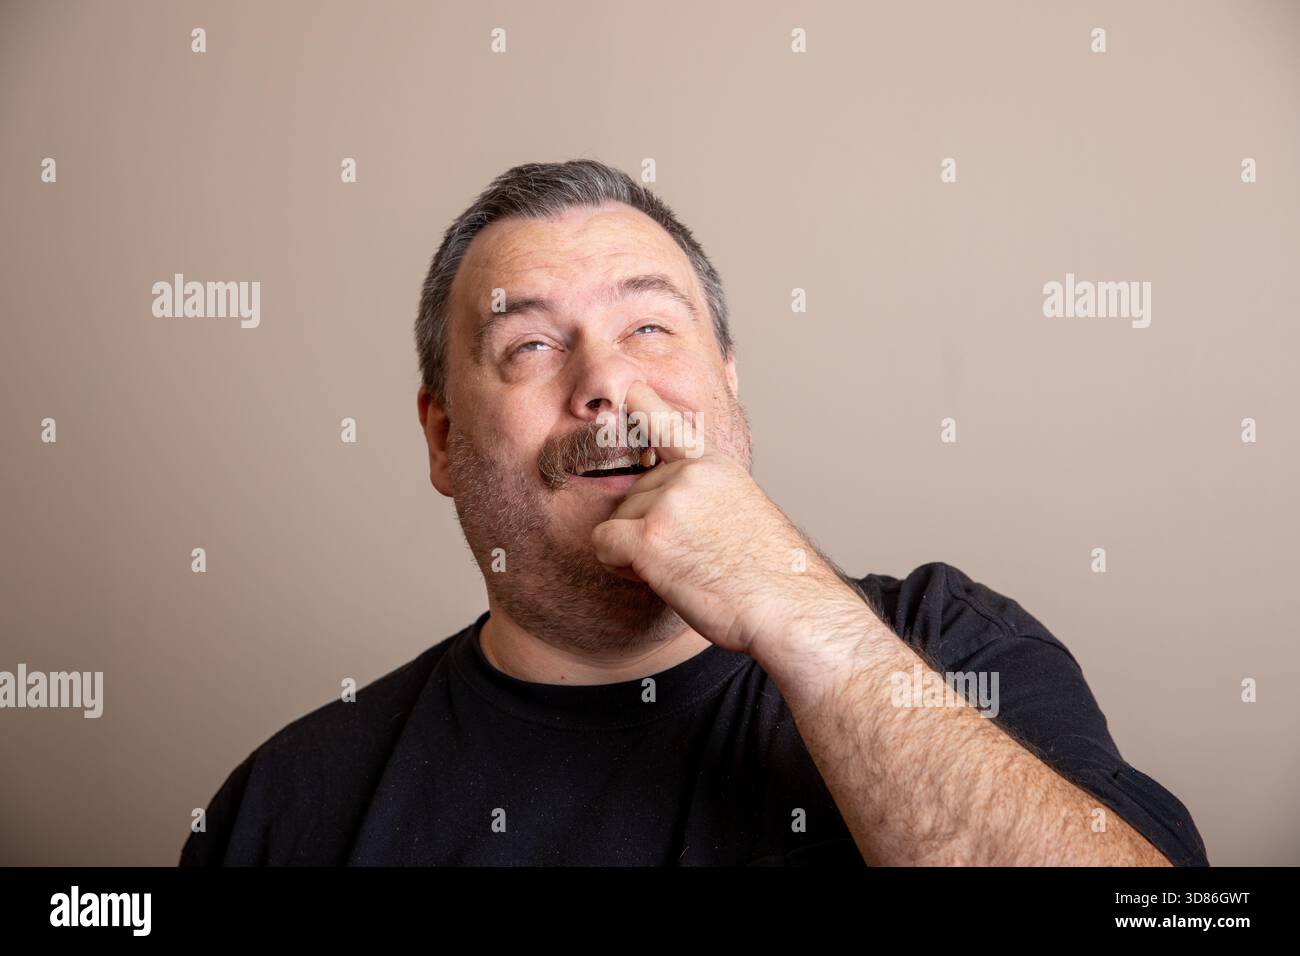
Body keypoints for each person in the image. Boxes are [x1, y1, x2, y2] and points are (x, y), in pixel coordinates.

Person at [180, 160, 1208, 866]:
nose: (607, 385)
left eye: (650, 327)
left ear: (728, 384)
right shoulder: (287, 804)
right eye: (531, 345)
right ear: (442, 438)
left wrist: (802, 617)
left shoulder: (950, 643)